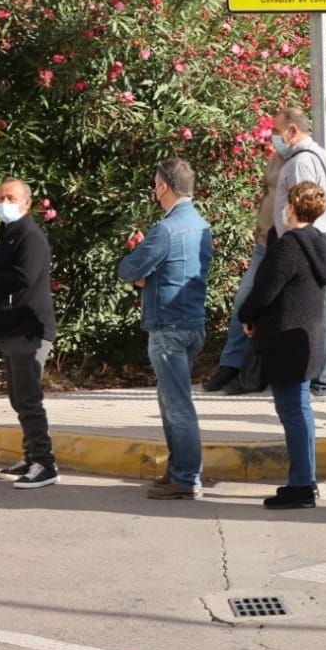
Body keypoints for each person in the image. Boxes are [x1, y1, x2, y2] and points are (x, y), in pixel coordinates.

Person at [116, 158, 212, 499]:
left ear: (162, 188)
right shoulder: (200, 224)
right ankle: (178, 471)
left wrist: (143, 275)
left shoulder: (166, 229)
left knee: (177, 406)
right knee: (172, 403)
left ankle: (185, 478)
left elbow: (129, 269)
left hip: (168, 327)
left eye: (155, 184)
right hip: (191, 322)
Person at [239, 182, 326, 510]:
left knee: (293, 412)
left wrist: (246, 314)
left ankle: (301, 486)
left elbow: (264, 289)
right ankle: (305, 480)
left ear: (292, 208)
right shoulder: (322, 244)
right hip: (309, 339)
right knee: (301, 411)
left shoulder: (289, 246)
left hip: (286, 341)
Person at [271, 106, 326, 398]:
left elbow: (309, 204)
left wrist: (295, 238)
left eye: (277, 131)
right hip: (310, 240)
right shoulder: (309, 155)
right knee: (316, 311)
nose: (273, 138)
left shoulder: (302, 161)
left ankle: (318, 380)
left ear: (292, 130)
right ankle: (318, 380)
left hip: (305, 241)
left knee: (312, 313)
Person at [204, 145, 285, 393]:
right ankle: (231, 365)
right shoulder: (277, 159)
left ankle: (288, 375)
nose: (274, 137)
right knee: (244, 301)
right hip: (264, 244)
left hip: (290, 245)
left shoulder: (310, 159)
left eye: (279, 130)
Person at [0, 177, 59, 489]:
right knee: (20, 398)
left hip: (29, 331)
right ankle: (31, 455)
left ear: (26, 203)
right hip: (12, 329)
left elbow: (22, 278)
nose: (3, 203)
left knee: (29, 399)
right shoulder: (9, 234)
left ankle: (45, 463)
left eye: (10, 197)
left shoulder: (30, 236)